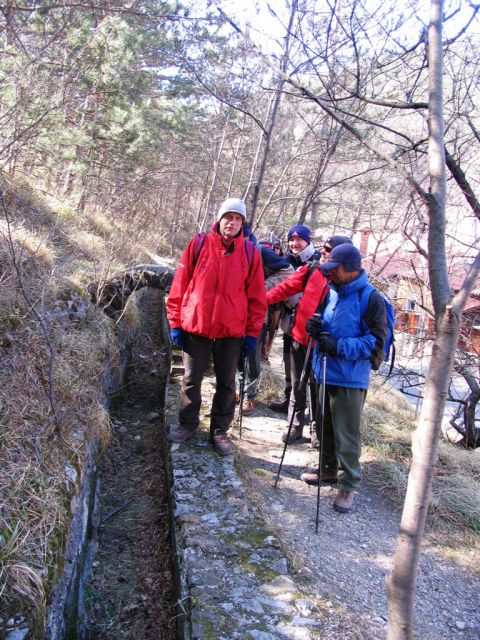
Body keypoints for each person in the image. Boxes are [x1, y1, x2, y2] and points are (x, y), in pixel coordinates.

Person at [166, 198, 267, 456]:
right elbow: (179, 284)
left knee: (227, 383)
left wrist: (252, 332)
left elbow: (257, 297)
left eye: (237, 219)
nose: (231, 222)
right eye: (228, 217)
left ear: (242, 224)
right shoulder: (199, 244)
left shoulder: (250, 252)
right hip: (196, 326)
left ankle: (219, 430)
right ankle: (187, 423)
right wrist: (175, 321)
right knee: (191, 379)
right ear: (219, 219)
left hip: (231, 331)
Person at [302, 243, 387, 513]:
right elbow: (328, 329)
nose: (329, 274)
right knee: (324, 425)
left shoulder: (371, 298)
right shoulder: (332, 292)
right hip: (324, 370)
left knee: (346, 434)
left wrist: (337, 345)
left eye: (334, 269)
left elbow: (375, 345)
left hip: (350, 379)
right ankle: (327, 470)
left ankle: (348, 485)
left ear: (351, 269)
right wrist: (316, 329)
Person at [266, 235, 352, 444]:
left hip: (324, 346)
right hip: (300, 338)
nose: (323, 252)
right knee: (297, 385)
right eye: (324, 248)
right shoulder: (312, 269)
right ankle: (295, 426)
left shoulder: (344, 280)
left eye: (329, 249)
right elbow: (285, 288)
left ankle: (317, 431)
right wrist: (259, 301)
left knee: (318, 389)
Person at [240, 244, 294, 415]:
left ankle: (249, 394)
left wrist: (261, 287)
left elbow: (288, 272)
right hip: (229, 314)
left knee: (253, 356)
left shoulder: (260, 251)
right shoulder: (223, 250)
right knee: (232, 356)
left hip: (255, 315)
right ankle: (235, 391)